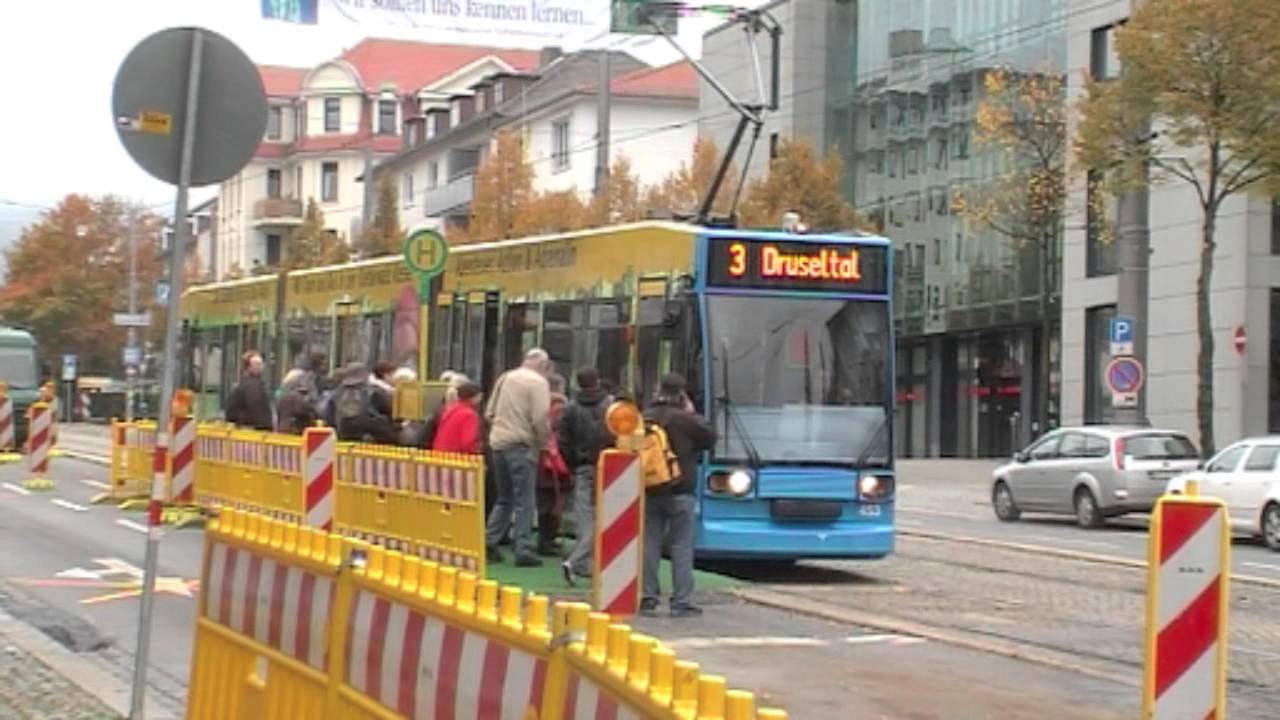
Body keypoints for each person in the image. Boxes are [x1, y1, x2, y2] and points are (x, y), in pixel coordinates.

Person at [642, 373, 716, 618]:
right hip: (681, 489)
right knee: (681, 545)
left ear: (658, 389)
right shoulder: (686, 419)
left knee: (649, 543)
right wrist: (692, 411)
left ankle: (648, 596)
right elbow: (710, 438)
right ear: (682, 393)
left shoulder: (645, 417)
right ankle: (681, 600)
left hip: (650, 488)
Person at [484, 348, 553, 567]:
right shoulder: (538, 383)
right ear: (543, 365)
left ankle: (489, 540)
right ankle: (523, 548)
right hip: (521, 445)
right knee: (525, 499)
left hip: (498, 443)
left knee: (505, 497)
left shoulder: (505, 378)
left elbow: (489, 413)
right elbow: (540, 417)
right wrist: (543, 444)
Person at [558, 367, 614, 585]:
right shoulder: (611, 405)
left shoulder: (570, 408)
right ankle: (577, 561)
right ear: (598, 381)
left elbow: (563, 440)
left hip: (582, 467)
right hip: (610, 467)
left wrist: (572, 463)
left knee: (584, 517)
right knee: (605, 517)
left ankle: (579, 561)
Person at [537, 384, 572, 557]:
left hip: (545, 469)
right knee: (553, 506)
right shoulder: (560, 424)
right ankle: (547, 541)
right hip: (555, 470)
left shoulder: (539, 420)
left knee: (547, 505)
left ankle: (546, 540)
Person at [324, 362, 395, 443]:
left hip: (341, 438)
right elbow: (390, 413)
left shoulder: (336, 393)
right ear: (365, 375)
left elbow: (328, 417)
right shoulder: (374, 392)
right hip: (371, 439)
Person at [225, 351, 275, 431]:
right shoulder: (249, 387)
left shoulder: (245, 385)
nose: (261, 367)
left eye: (261, 364)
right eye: (257, 364)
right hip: (252, 430)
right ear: (248, 366)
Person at [432, 381, 483, 454]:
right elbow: (468, 442)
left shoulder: (450, 409)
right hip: (457, 458)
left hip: (440, 455)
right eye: (480, 396)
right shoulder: (469, 415)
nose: (481, 399)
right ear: (473, 397)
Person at [275, 368, 317, 434]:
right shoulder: (297, 397)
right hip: (293, 430)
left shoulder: (282, 396)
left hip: (282, 428)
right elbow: (303, 411)